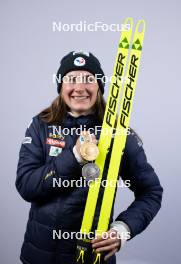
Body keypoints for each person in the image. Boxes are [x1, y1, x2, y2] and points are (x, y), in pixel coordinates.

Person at [16, 51, 163, 264]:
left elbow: (151, 191)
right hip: (39, 256)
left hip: (92, 257)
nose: (80, 87)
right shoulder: (41, 126)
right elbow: (26, 186)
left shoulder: (118, 134)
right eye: (71, 79)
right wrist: (75, 156)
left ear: (99, 86)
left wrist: (122, 230)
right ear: (61, 86)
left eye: (89, 79)